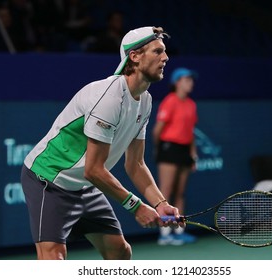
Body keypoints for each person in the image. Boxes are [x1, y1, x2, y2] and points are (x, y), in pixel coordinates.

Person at [21, 26, 183, 260]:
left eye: (165, 52)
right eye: (157, 51)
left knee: (120, 253)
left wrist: (160, 204)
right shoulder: (109, 97)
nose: (165, 57)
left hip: (83, 186)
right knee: (53, 259)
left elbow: (135, 163)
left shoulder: (145, 101)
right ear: (135, 57)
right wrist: (136, 207)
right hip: (50, 179)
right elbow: (94, 170)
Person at [152, 67, 198, 245]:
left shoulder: (191, 104)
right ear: (177, 82)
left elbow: (191, 132)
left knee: (180, 192)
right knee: (166, 193)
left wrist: (193, 154)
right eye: (187, 80)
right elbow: (157, 130)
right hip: (169, 148)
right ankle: (165, 235)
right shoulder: (169, 101)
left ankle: (179, 230)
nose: (190, 83)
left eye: (191, 80)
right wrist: (160, 149)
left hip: (185, 150)